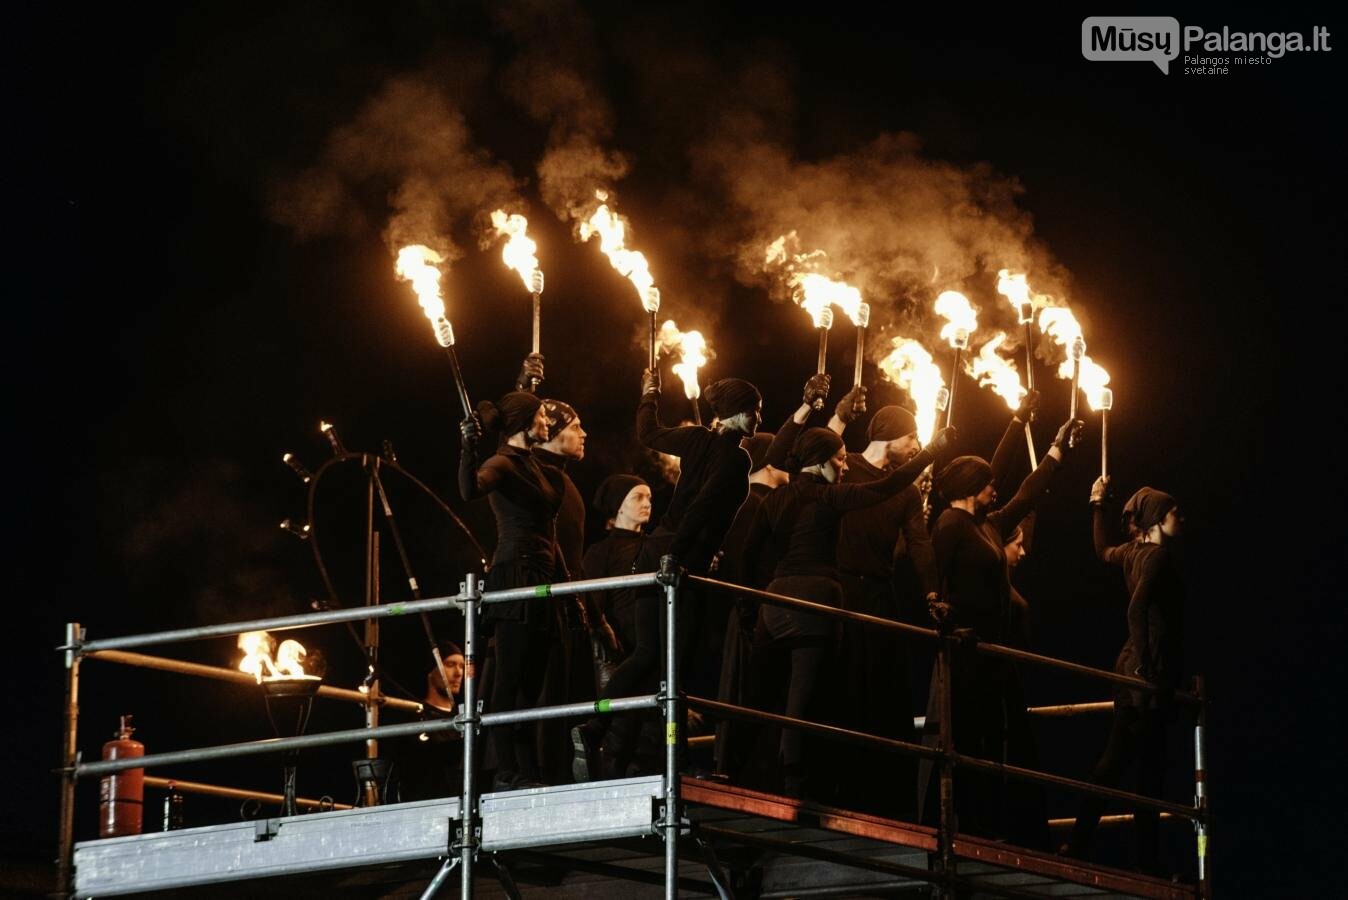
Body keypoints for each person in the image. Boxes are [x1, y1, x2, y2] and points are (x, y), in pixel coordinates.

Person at [740, 422, 954, 798]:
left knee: (757, 697)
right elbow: (887, 486)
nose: (844, 466)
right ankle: (795, 792)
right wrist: (931, 451)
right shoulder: (832, 498)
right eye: (839, 459)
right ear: (821, 462)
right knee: (803, 702)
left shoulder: (773, 499)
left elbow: (747, 556)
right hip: (815, 599)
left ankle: (737, 776)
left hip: (774, 602)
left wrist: (748, 608)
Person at [572, 370, 762, 780]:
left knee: (647, 655)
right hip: (677, 560)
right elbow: (704, 507)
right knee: (676, 665)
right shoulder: (737, 458)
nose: (759, 420)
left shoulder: (695, 439)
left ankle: (595, 724)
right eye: (754, 412)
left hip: (654, 550)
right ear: (735, 414)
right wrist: (679, 556)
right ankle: (677, 763)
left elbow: (649, 433)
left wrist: (649, 394)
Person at [920, 413, 1081, 841]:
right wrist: (938, 607)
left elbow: (1026, 493)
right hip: (965, 651)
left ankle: (992, 825)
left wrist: (1054, 449)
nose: (996, 488)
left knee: (995, 739)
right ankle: (968, 825)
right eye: (989, 483)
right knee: (971, 740)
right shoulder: (950, 526)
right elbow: (931, 577)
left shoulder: (986, 525)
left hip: (993, 652)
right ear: (972, 487)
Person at [1063, 480, 1185, 873]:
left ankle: (1079, 841)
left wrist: (1097, 504)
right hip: (1147, 675)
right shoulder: (1158, 558)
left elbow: (1101, 551)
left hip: (1128, 669)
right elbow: (1137, 611)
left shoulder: (1132, 552)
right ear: (1157, 520)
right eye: (1173, 513)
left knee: (1114, 763)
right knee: (1149, 772)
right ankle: (1145, 867)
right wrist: (1148, 666)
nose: (1179, 518)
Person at [827, 394, 935, 816]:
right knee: (845, 689)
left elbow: (921, 545)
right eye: (911, 438)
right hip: (841, 593)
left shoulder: (906, 491)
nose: (915, 446)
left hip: (879, 597)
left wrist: (931, 593)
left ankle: (885, 798)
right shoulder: (844, 468)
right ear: (889, 436)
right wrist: (837, 415)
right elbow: (808, 455)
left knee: (885, 696)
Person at [459, 391, 564, 790]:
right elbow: (470, 489)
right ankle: (506, 769)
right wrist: (467, 445)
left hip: (542, 577)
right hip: (515, 575)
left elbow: (550, 533)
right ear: (523, 421)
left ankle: (526, 769)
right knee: (510, 675)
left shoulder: (535, 465)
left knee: (532, 679)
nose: (547, 423)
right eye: (541, 416)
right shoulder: (501, 462)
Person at [571, 475, 654, 780]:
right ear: (618, 507)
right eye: (638, 497)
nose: (646, 504)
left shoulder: (653, 545)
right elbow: (592, 600)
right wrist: (600, 634)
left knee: (652, 732)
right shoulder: (601, 552)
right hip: (619, 651)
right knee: (622, 732)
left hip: (652, 645)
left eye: (649, 498)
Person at [394, 644, 467, 801]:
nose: (458, 673)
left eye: (462, 666)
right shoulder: (415, 716)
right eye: (450, 665)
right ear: (431, 671)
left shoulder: (464, 716)